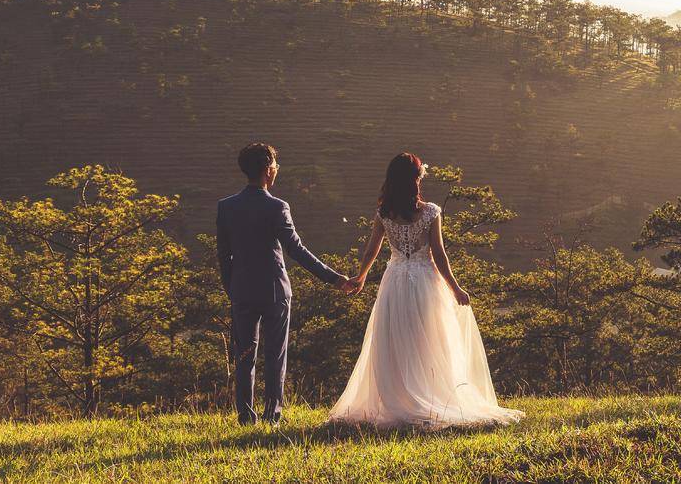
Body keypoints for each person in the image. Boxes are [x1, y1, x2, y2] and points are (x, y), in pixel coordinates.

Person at [329, 152, 523, 429]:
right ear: (416, 180)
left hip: (394, 280)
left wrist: (361, 277)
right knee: (429, 338)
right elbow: (439, 254)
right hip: (424, 281)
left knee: (396, 339)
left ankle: (400, 397)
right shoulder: (430, 212)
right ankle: (430, 395)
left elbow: (372, 249)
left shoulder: (384, 213)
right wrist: (455, 288)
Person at [216, 142, 355, 425]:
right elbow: (297, 250)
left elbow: (223, 256)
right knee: (275, 354)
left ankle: (245, 416)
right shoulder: (277, 207)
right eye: (276, 166)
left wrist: (233, 289)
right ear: (268, 170)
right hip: (275, 290)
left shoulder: (226, 207)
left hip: (241, 290)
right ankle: (272, 416)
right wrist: (334, 278)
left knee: (244, 355)